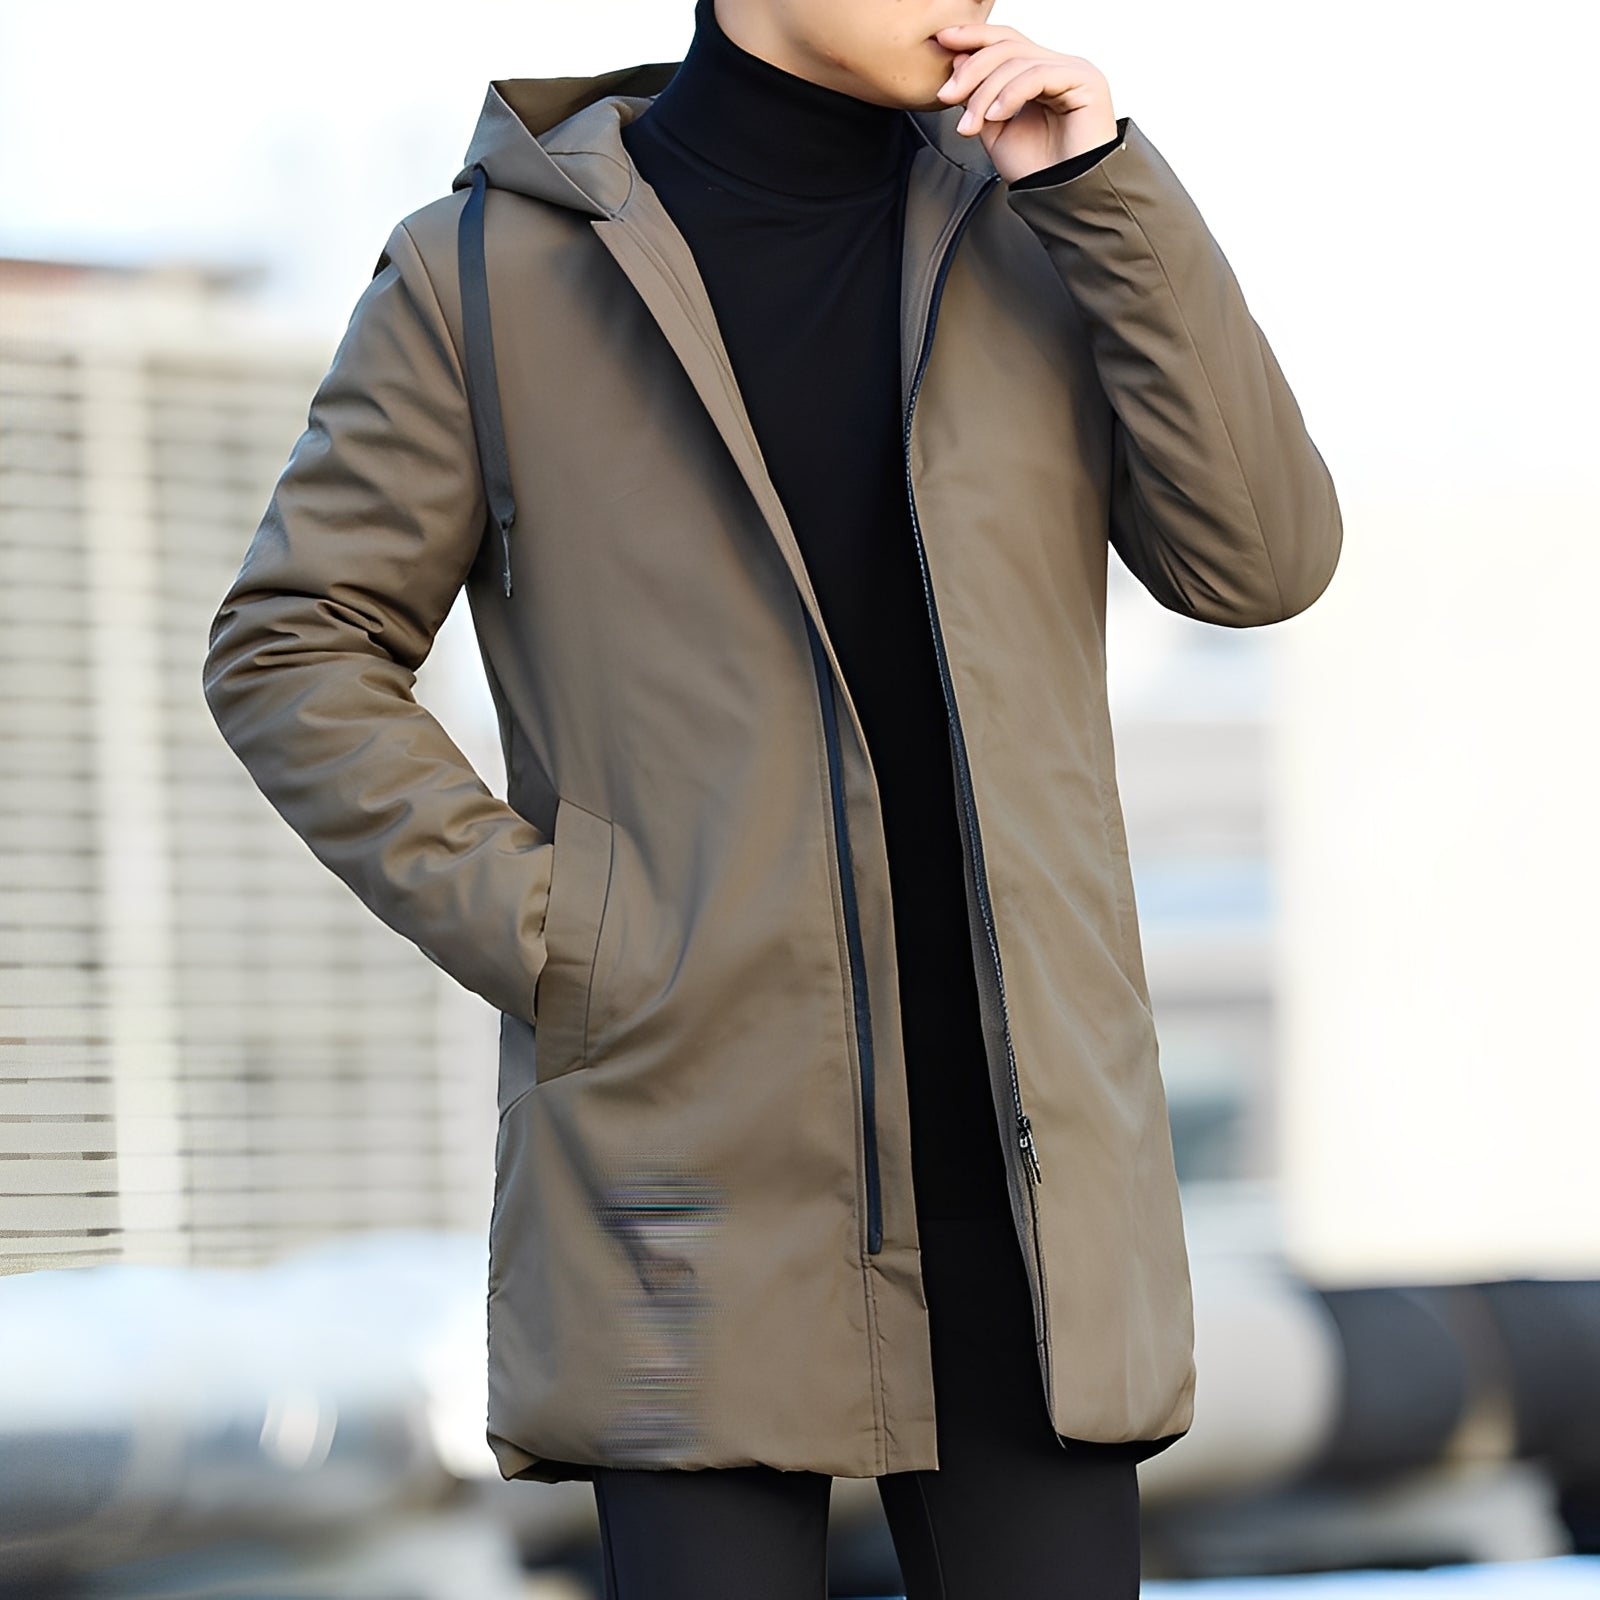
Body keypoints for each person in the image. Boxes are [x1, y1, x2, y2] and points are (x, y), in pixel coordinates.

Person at [202, 0, 1342, 1594]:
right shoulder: (487, 272)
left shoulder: (1042, 223)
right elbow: (293, 646)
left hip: (1033, 1180)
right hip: (690, 1152)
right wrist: (565, 938)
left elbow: (1262, 561)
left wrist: (1104, 190)